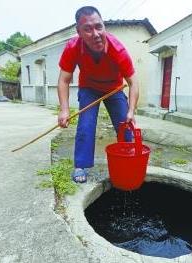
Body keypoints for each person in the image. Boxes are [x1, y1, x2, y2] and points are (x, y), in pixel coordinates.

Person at [57, 6, 139, 183]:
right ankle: (81, 165)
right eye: (87, 29)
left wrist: (131, 110)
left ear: (104, 26)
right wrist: (64, 110)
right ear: (79, 32)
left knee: (125, 125)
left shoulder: (118, 50)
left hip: (114, 88)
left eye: (98, 26)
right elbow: (64, 80)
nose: (95, 33)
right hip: (89, 88)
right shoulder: (72, 47)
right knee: (86, 126)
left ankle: (129, 160)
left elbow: (133, 82)